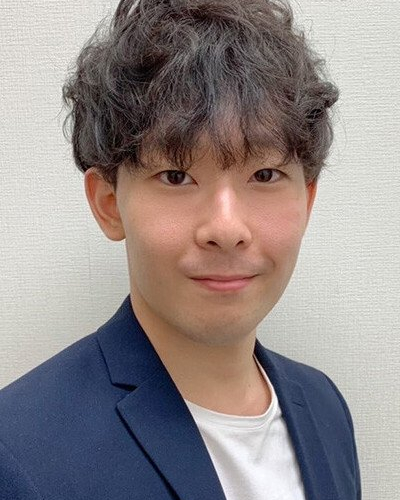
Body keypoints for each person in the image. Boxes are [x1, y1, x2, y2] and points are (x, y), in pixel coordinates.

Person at [0, 0, 361, 498]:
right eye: (176, 176)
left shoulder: (325, 408)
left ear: (307, 200)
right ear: (109, 204)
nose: (226, 229)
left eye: (265, 174)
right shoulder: (18, 449)